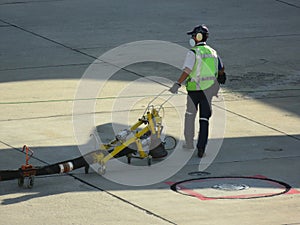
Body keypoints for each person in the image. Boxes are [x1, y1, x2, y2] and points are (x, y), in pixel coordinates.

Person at [169, 24, 226, 158]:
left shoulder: (193, 52)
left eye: (194, 36)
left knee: (190, 116)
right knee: (204, 119)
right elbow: (221, 68)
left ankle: (189, 143)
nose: (193, 38)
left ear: (198, 36)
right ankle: (201, 149)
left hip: (194, 91)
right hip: (208, 92)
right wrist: (220, 78)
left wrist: (177, 83)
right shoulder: (213, 52)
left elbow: (187, 70)